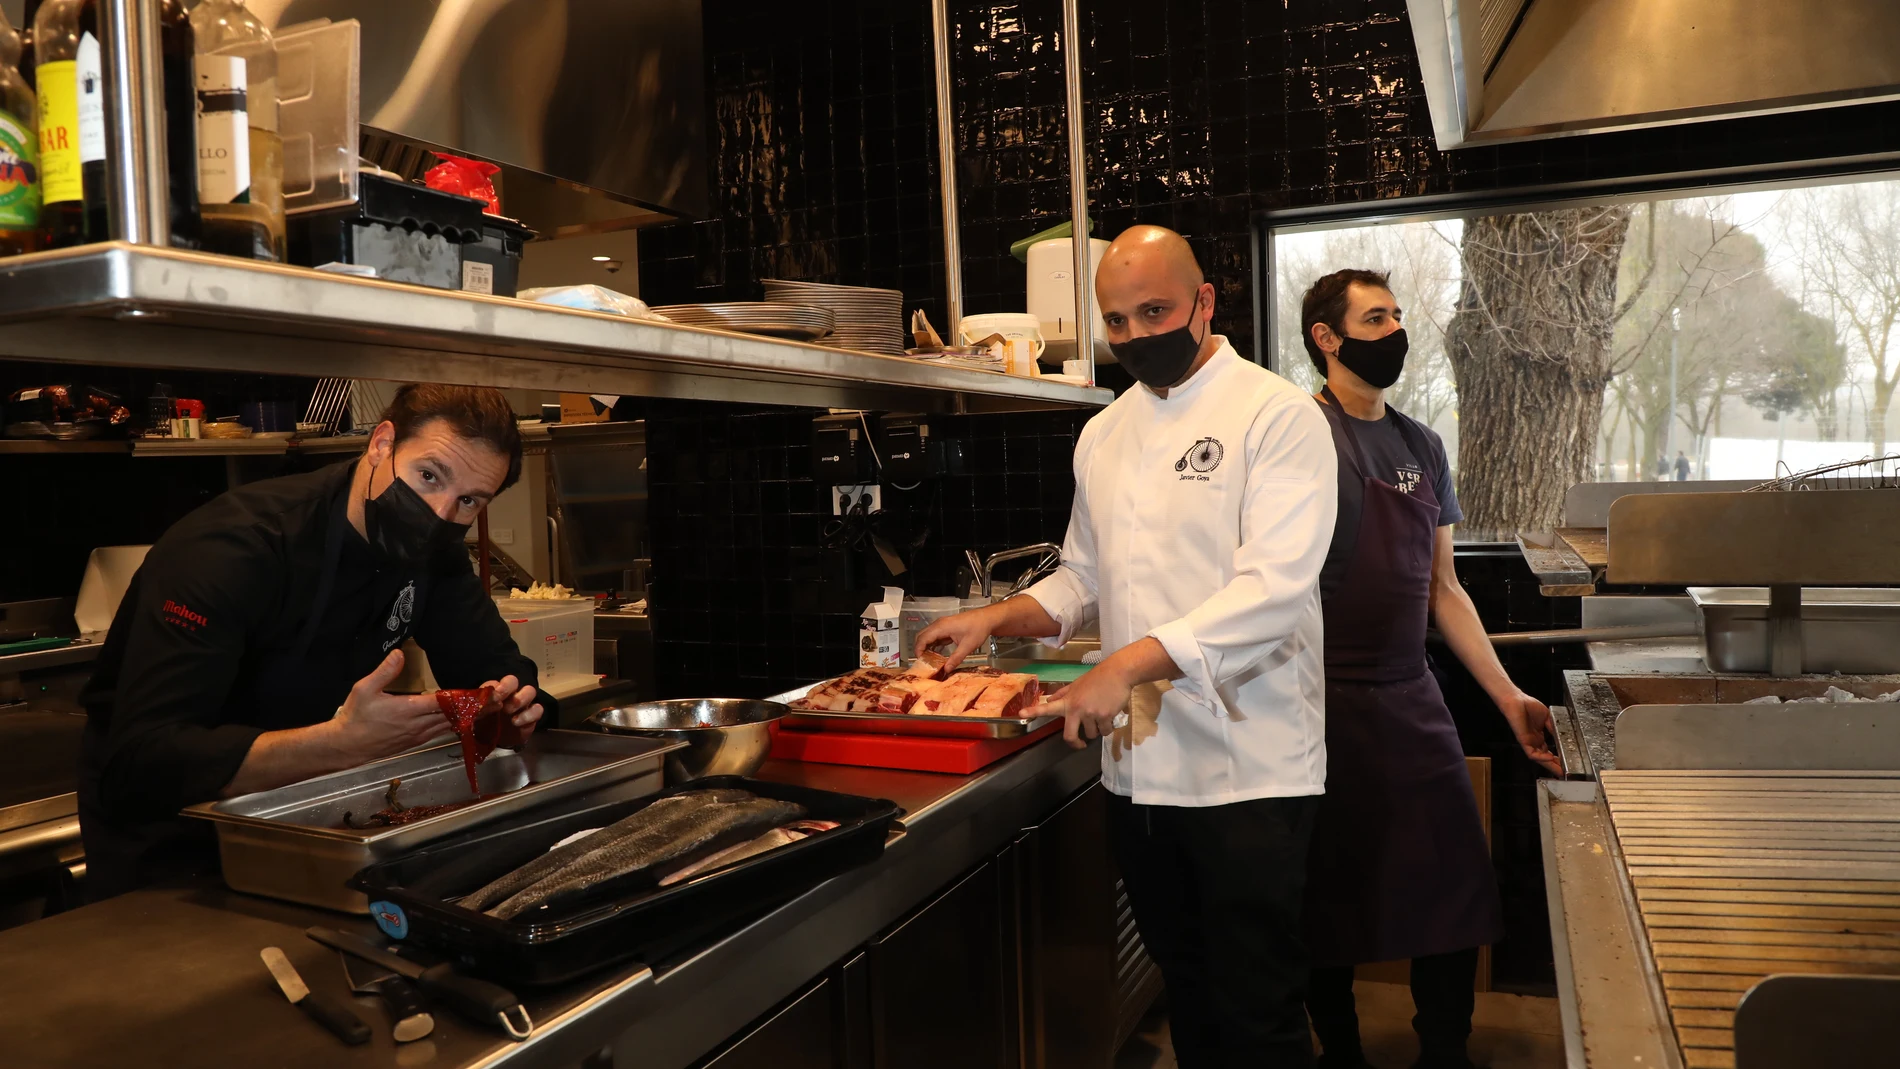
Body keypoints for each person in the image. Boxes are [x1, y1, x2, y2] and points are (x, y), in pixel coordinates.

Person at [918, 226, 1338, 1068]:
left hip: (1249, 771)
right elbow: (1081, 578)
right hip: (1143, 773)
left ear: (1204, 302)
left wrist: (1124, 663)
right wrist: (994, 619)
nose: (1139, 335)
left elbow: (1274, 591)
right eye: (1118, 321)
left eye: (1156, 311)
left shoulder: (1277, 414)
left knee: (1258, 1015)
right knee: (1188, 993)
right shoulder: (1103, 434)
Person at [78, 384, 550, 899]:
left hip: (311, 828)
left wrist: (513, 708)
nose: (438, 514)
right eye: (428, 476)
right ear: (382, 444)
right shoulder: (232, 549)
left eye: (467, 502)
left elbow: (497, 670)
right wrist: (340, 744)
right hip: (174, 857)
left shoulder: (433, 553)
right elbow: (144, 760)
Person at [1297, 270, 1561, 1069]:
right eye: (1376, 318)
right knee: (1326, 896)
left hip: (1411, 695)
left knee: (1452, 885)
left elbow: (1444, 589)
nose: (1396, 330)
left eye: (1398, 316)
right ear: (1327, 337)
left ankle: (1442, 1053)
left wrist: (1509, 694)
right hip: (1318, 706)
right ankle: (1339, 1054)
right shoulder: (1298, 435)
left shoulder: (1422, 445)